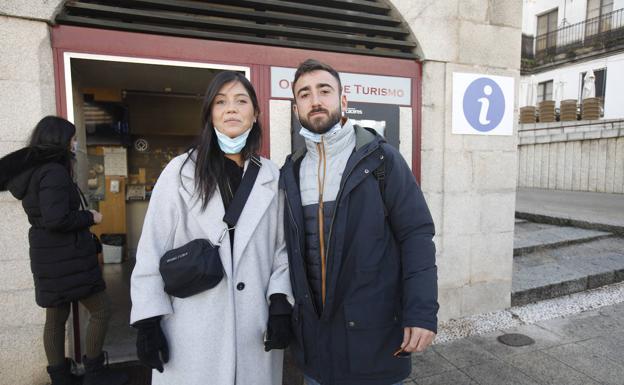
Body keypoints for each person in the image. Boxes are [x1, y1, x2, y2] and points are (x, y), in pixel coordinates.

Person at [279, 59, 439, 385]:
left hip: (373, 336)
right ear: (296, 108)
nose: (316, 100)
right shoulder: (291, 172)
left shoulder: (380, 159)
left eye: (325, 91)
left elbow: (416, 235)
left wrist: (421, 312)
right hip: (316, 345)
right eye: (305, 94)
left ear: (343, 100)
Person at [130, 71, 293, 385]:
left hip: (254, 328)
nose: (231, 109)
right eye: (221, 102)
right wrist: (148, 323)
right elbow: (152, 248)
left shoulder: (271, 176)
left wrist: (280, 304)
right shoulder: (180, 172)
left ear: (256, 114)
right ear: (210, 114)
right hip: (191, 328)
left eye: (241, 101)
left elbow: (282, 249)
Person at [0, 116, 128, 385]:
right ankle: (94, 373)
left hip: (50, 255)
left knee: (56, 318)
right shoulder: (54, 172)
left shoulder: (35, 171)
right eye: (72, 138)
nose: (75, 143)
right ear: (60, 140)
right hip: (66, 256)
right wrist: (90, 217)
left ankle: (60, 378)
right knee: (101, 309)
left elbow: (48, 217)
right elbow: (56, 218)